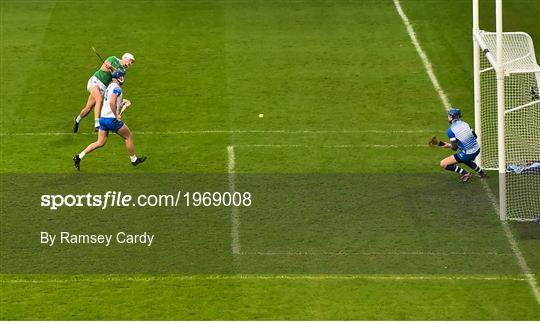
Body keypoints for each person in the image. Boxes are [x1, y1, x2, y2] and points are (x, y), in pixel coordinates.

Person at [73, 70, 146, 171]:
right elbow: (112, 102)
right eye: (122, 77)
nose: (123, 78)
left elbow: (111, 103)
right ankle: (134, 160)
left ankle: (79, 156)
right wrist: (116, 115)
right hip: (111, 120)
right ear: (119, 78)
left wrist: (121, 105)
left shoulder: (110, 87)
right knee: (128, 136)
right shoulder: (117, 89)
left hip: (103, 118)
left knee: (100, 142)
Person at [73, 53, 135, 133]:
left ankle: (77, 120)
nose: (130, 64)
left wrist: (111, 68)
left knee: (88, 108)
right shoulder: (113, 59)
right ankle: (97, 124)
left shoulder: (123, 70)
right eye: (130, 61)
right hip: (95, 81)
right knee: (99, 100)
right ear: (125, 58)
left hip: (103, 87)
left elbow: (118, 76)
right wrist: (108, 66)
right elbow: (103, 69)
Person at [439, 107, 486, 182]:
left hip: (468, 153)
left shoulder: (450, 130)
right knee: (463, 157)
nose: (448, 117)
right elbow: (475, 136)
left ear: (452, 117)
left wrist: (449, 145)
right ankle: (481, 172)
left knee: (443, 163)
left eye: (448, 115)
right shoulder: (465, 124)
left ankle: (465, 173)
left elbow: (454, 148)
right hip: (477, 149)